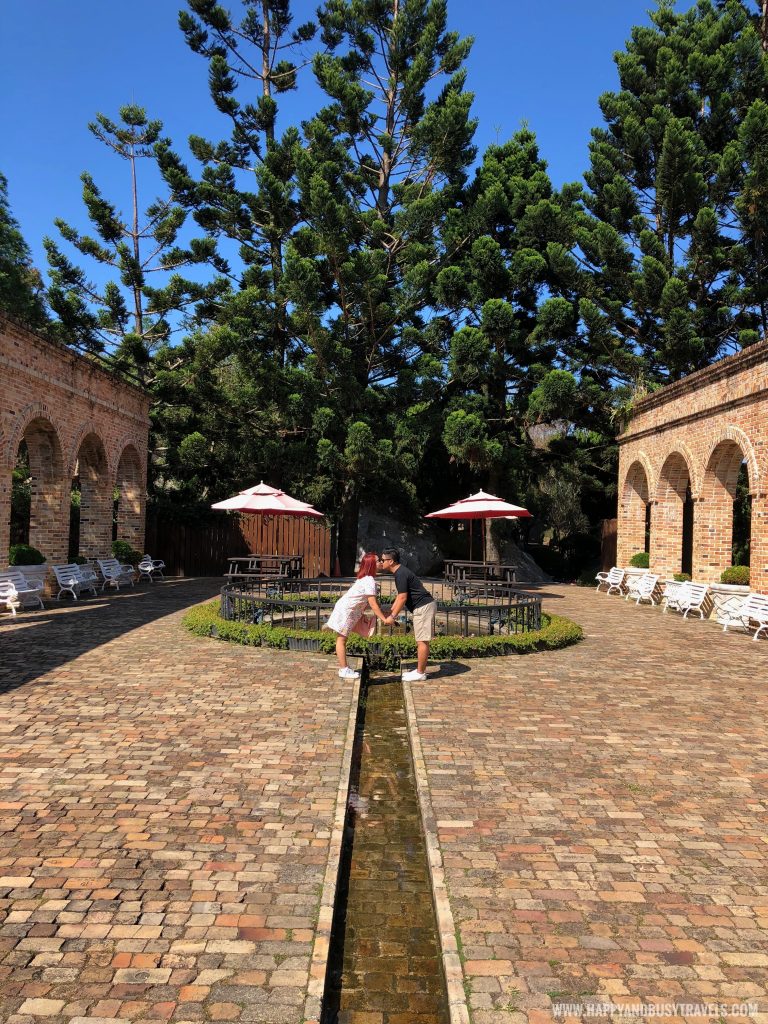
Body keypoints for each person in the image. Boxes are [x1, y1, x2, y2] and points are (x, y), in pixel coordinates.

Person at [323, 552, 390, 679]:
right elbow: (373, 604)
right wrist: (384, 618)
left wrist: (383, 613)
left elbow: (372, 603)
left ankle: (344, 668)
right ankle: (344, 669)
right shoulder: (369, 581)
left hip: (348, 610)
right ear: (372, 565)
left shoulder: (364, 578)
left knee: (341, 639)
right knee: (341, 640)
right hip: (347, 612)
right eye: (378, 561)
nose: (381, 562)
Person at [378, 548, 436, 682]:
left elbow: (403, 598)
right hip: (422, 606)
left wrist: (392, 617)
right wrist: (391, 612)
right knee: (421, 640)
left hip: (423, 607)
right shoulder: (400, 572)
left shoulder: (400, 573)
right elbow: (400, 597)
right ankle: (419, 670)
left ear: (391, 561)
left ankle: (420, 673)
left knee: (422, 641)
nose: (381, 562)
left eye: (383, 560)